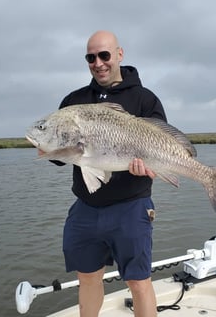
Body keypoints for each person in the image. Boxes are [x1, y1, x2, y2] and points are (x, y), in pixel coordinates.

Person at [55, 30, 167, 317]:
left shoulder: (145, 99)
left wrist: (148, 168)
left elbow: (161, 145)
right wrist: (51, 147)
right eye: (91, 57)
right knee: (87, 277)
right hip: (86, 207)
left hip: (132, 207)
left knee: (138, 281)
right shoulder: (74, 101)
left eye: (104, 55)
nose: (98, 63)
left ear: (119, 54)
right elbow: (61, 158)